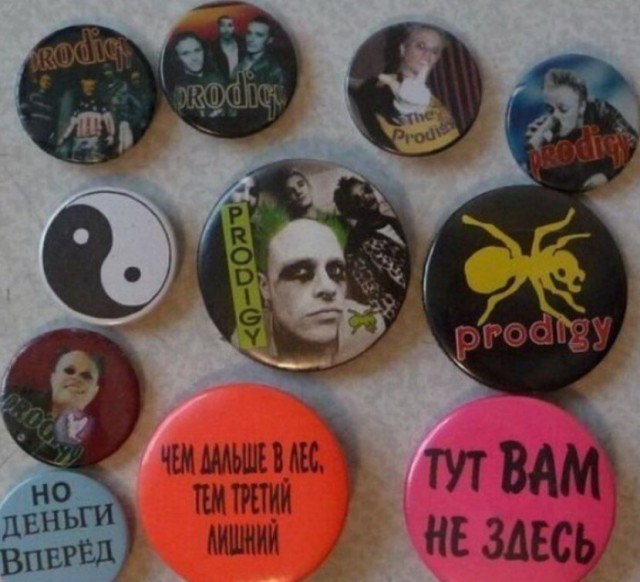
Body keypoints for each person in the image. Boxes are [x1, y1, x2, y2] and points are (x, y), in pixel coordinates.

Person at [246, 208, 385, 368]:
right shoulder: (248, 337)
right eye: (301, 273)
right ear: (265, 287)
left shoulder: (369, 329)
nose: (329, 288)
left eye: (336, 271)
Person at [351, 24, 459, 154]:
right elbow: (377, 98)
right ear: (403, 49)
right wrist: (401, 105)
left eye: (435, 51)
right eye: (421, 46)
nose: (428, 55)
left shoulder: (432, 92)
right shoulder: (385, 84)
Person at [525, 69, 638, 191]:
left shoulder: (601, 111)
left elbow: (631, 144)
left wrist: (605, 174)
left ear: (582, 107)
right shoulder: (542, 132)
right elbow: (545, 182)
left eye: (563, 109)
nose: (555, 116)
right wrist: (533, 156)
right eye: (549, 109)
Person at [1, 350, 102, 466]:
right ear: (53, 378)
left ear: (94, 391)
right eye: (69, 371)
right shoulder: (15, 397)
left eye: (86, 376)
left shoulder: (95, 442)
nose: (76, 378)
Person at [333, 177, 409, 326]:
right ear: (350, 211)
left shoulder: (395, 222)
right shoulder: (357, 246)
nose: (367, 199)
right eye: (357, 200)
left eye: (367, 191)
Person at [230, 16, 288, 127]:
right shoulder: (239, 65)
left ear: (269, 40)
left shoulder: (274, 70)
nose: (251, 39)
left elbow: (275, 107)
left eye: (259, 35)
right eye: (249, 33)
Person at [58, 75, 115, 162]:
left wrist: (110, 135)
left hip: (94, 140)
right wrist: (64, 138)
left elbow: (108, 120)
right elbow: (72, 125)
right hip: (78, 141)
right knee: (76, 162)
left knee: (93, 161)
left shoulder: (101, 104)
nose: (89, 89)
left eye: (92, 86)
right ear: (83, 88)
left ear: (95, 87)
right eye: (86, 87)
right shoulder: (79, 106)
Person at [211, 15, 245, 81]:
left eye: (230, 25)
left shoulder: (243, 45)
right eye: (223, 25)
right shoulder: (212, 48)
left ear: (234, 27)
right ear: (218, 27)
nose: (226, 29)